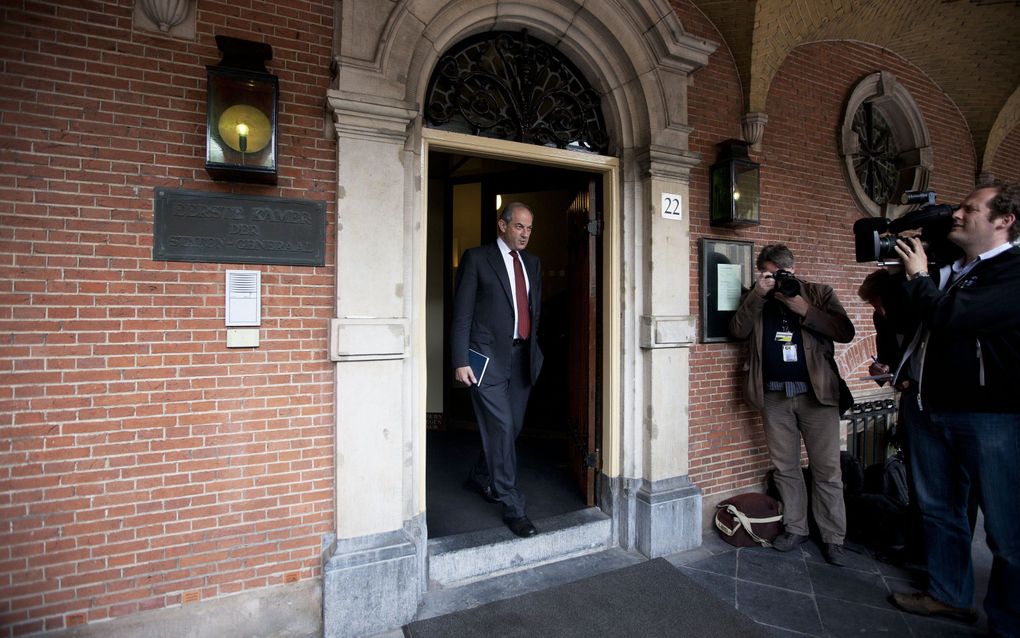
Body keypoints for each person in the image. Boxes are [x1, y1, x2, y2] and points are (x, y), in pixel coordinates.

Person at [888, 181, 1020, 636]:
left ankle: (1009, 623)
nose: (958, 216)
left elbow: (952, 318)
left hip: (991, 416)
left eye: (970, 209)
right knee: (940, 510)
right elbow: (906, 318)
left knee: (1007, 530)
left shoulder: (1013, 270)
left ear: (1004, 221)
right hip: (929, 406)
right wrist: (909, 275)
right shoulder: (952, 269)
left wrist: (921, 279)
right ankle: (949, 596)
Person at [730, 244, 855, 566]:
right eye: (768, 274)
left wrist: (803, 308)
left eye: (780, 273)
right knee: (785, 467)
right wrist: (758, 294)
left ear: (792, 269)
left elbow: (844, 331)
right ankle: (796, 527)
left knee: (827, 469)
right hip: (774, 396)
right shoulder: (756, 298)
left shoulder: (818, 292)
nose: (775, 279)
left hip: (818, 397)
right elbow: (738, 329)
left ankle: (832, 537)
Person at [451, 202, 544, 538]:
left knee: (511, 427)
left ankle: (480, 475)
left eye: (529, 228)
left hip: (522, 359)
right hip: (486, 361)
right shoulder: (477, 259)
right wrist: (461, 360)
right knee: (502, 428)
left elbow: (534, 312)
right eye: (519, 226)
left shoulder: (532, 264)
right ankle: (513, 505)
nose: (525, 234)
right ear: (502, 226)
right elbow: (461, 313)